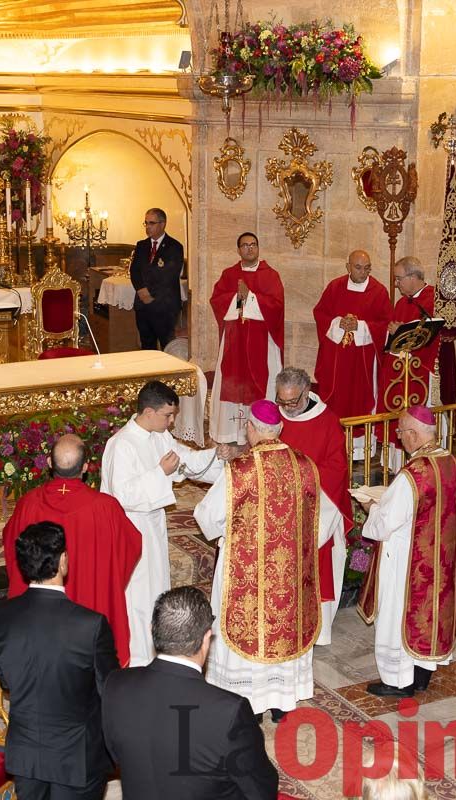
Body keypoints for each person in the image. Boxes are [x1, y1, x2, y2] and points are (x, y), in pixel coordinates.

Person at [193, 400, 340, 720]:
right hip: (287, 577)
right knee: (283, 634)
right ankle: (281, 703)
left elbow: (206, 516)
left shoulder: (240, 471)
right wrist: (300, 544)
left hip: (244, 575)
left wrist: (228, 535)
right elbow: (326, 518)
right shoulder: (305, 467)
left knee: (247, 632)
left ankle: (249, 703)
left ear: (253, 429)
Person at [102, 586, 279, 799]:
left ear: (151, 630)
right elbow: (262, 789)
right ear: (206, 639)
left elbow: (114, 756)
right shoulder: (230, 710)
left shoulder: (115, 684)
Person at [0, 521, 118, 800]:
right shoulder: (91, 624)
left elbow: (2, 674)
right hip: (77, 757)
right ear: (62, 561)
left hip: (26, 754)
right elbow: (110, 690)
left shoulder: (0, 615)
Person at [101, 380, 225, 666]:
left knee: (155, 589)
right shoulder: (121, 445)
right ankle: (137, 659)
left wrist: (218, 456)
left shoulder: (159, 436)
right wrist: (160, 473)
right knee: (137, 595)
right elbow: (121, 495)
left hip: (152, 526)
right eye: (168, 416)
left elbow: (187, 460)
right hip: (128, 529)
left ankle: (155, 653)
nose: (171, 422)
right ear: (148, 412)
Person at [3, 434, 142, 666]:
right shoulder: (106, 508)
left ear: (49, 463)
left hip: (40, 614)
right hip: (91, 608)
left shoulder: (28, 504)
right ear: (86, 467)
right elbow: (131, 545)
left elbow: (11, 546)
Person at [358, 406, 456, 698]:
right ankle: (421, 678)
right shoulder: (451, 463)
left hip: (408, 562)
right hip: (440, 561)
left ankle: (397, 681)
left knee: (397, 616)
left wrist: (371, 507)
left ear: (414, 434)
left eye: (401, 432)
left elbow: (383, 526)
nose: (399, 437)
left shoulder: (413, 475)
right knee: (429, 616)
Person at [273, 367, 352, 645]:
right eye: (281, 400)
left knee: (316, 567)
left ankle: (316, 631)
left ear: (307, 393)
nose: (286, 407)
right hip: (279, 509)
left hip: (318, 508)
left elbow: (337, 469)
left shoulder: (328, 422)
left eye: (292, 401)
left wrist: (300, 479)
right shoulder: (275, 416)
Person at [209, 233, 284, 445]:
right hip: (234, 341)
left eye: (253, 245)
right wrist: (238, 298)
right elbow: (217, 300)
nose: (249, 249)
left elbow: (276, 306)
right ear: (238, 250)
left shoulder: (271, 275)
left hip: (262, 342)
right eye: (245, 245)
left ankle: (263, 431)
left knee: (261, 381)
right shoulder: (229, 274)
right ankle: (230, 433)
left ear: (258, 248)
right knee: (232, 380)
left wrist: (250, 297)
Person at [312, 250, 391, 419]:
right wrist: (338, 323)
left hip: (363, 361)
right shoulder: (335, 287)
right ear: (348, 267)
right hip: (337, 359)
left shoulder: (379, 291)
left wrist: (361, 326)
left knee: (359, 397)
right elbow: (320, 313)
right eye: (358, 268)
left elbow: (385, 324)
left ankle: (361, 443)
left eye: (367, 268)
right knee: (337, 397)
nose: (363, 272)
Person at [374, 257, 439, 422]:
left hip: (417, 368)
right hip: (397, 367)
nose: (396, 283)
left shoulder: (433, 300)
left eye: (398, 278)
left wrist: (401, 331)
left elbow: (432, 335)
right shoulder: (402, 302)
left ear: (413, 277)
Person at [130, 208, 185, 351]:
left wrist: (150, 294)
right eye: (146, 223)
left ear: (162, 224)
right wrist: (141, 290)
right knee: (147, 345)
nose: (148, 227)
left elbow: (169, 275)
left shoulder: (175, 247)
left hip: (164, 305)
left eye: (152, 223)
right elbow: (134, 270)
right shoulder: (142, 245)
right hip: (143, 305)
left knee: (168, 345)